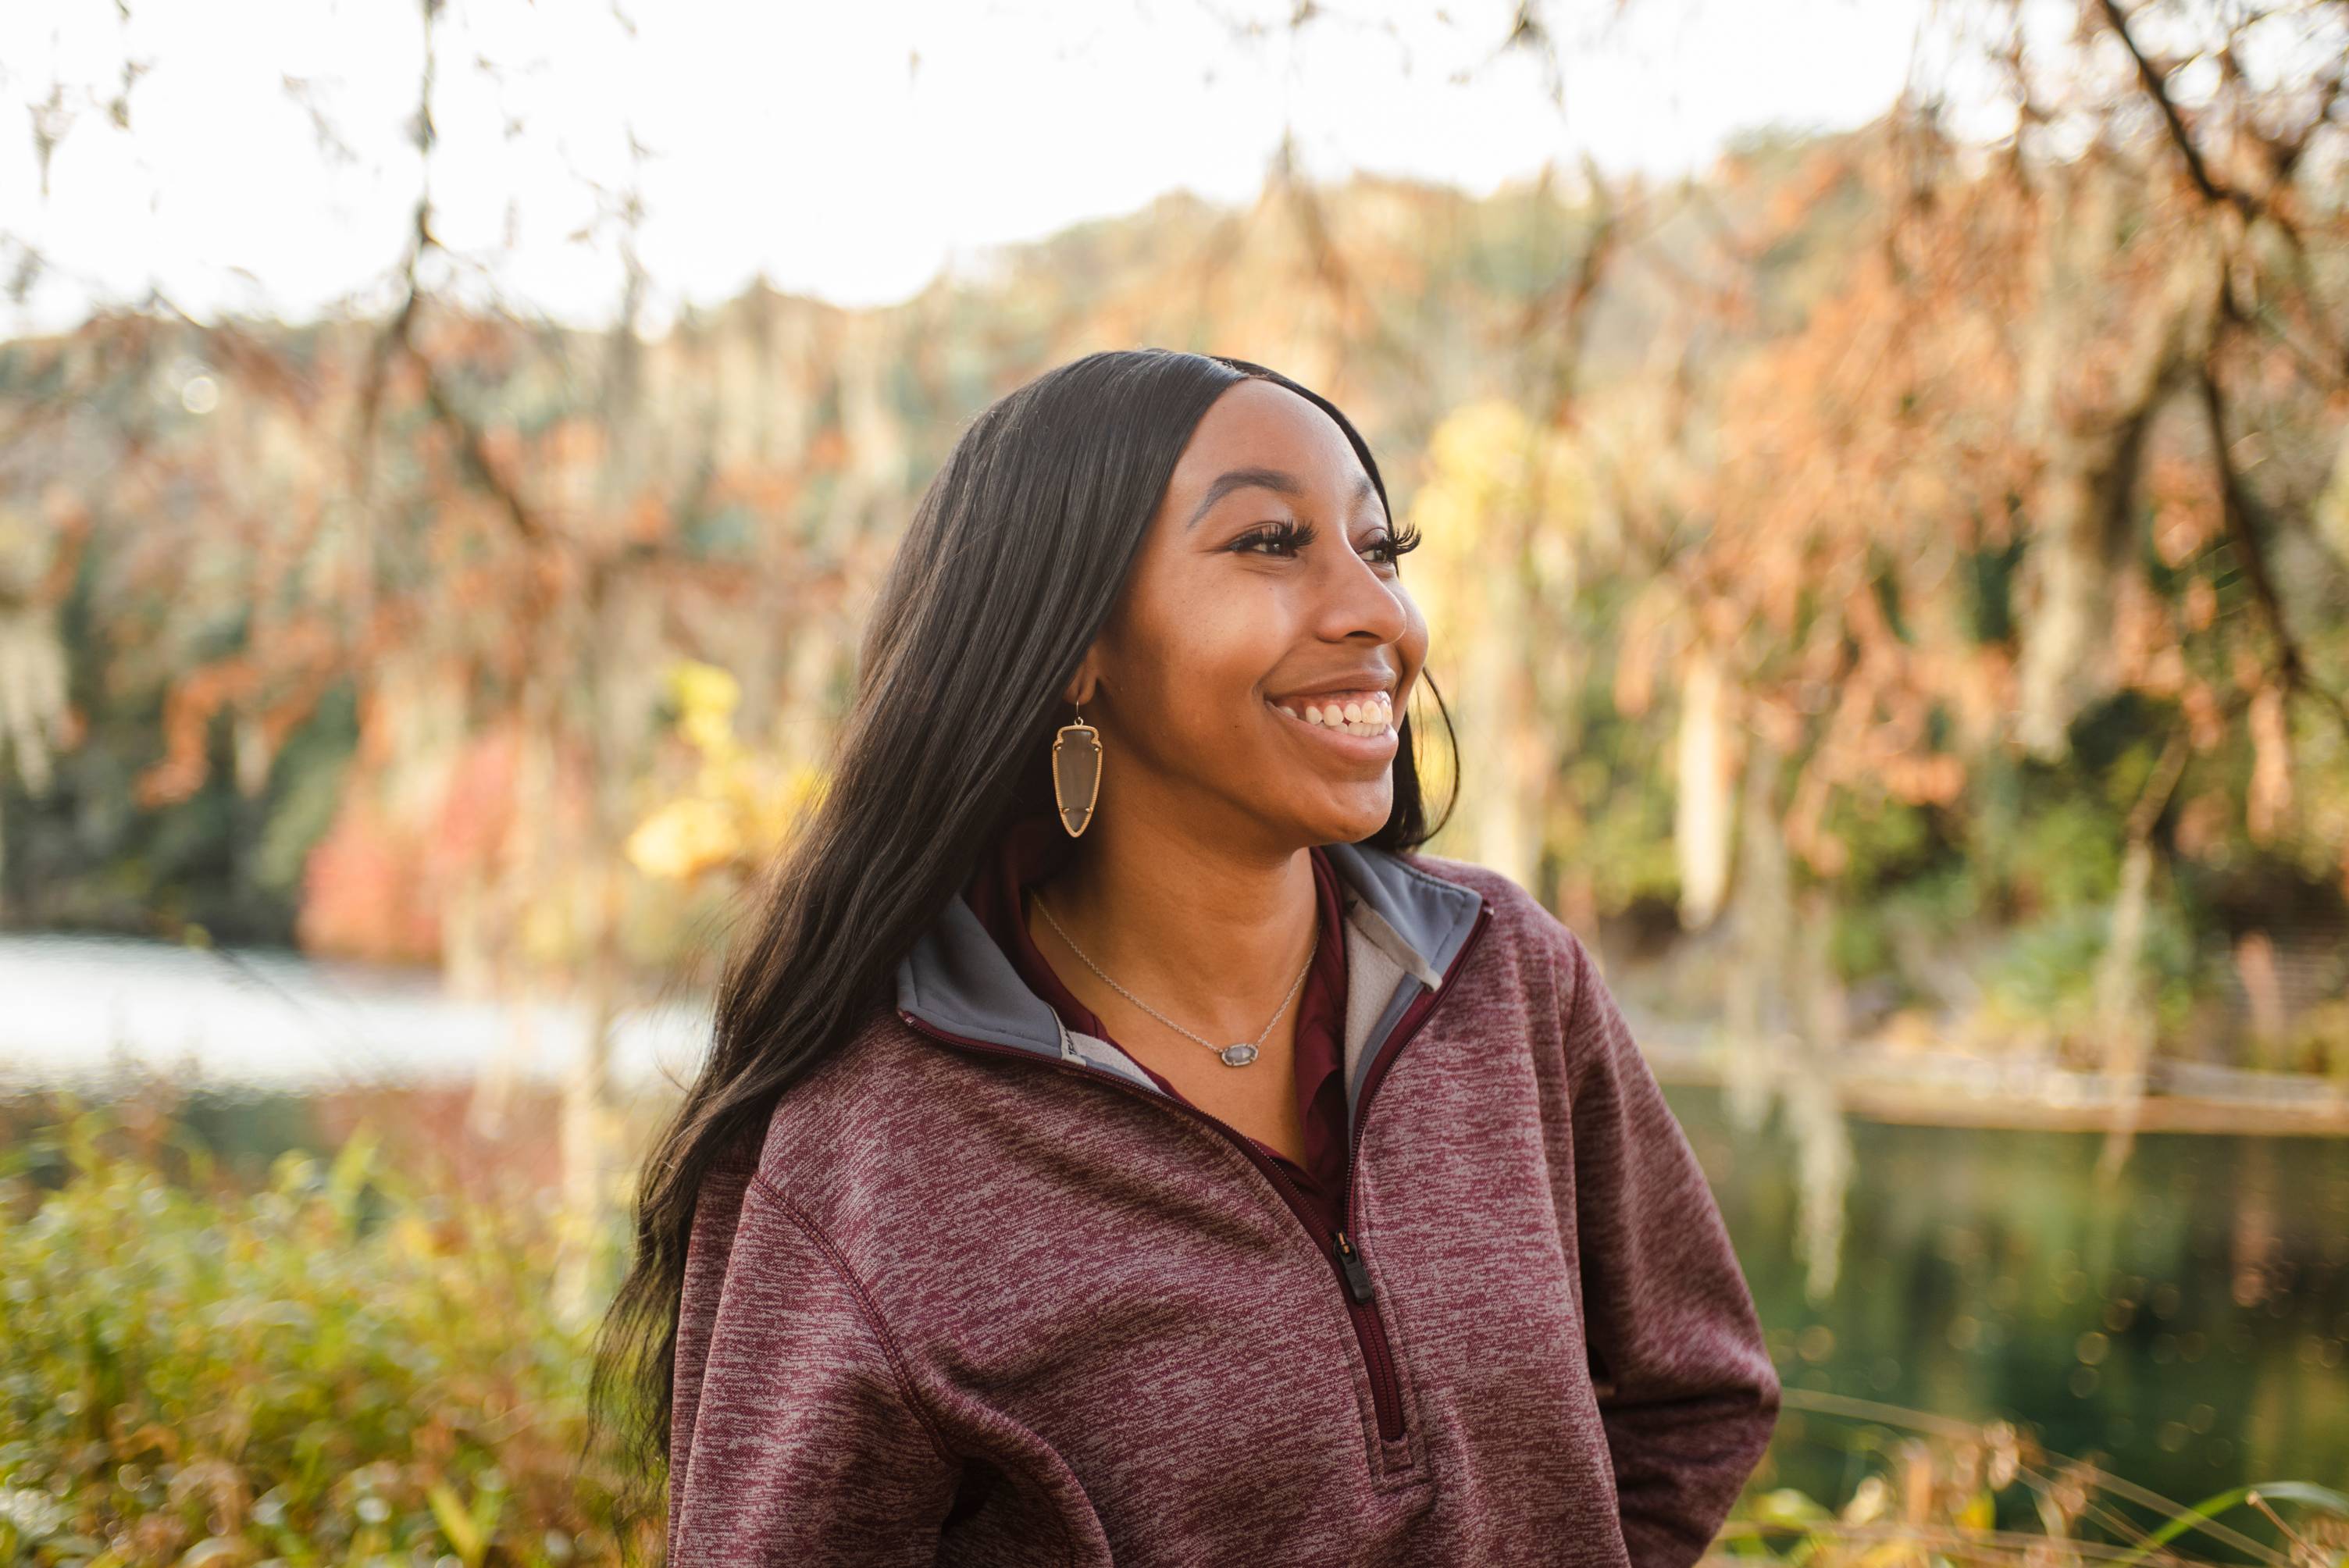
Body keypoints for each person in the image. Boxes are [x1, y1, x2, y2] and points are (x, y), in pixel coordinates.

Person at [593, 348, 1780, 1566]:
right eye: (1271, 542)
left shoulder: (1503, 977)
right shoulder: (874, 1152)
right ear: (1074, 645)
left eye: (1381, 549)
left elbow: (1699, 1396)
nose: (1378, 612)